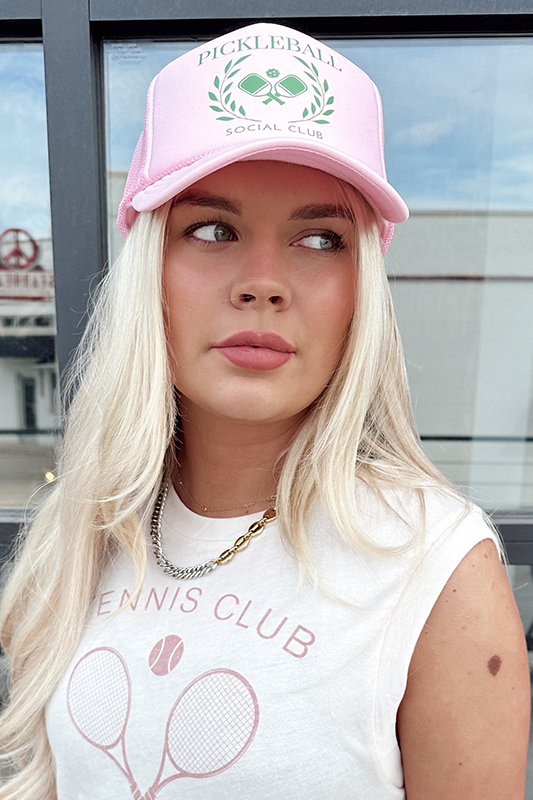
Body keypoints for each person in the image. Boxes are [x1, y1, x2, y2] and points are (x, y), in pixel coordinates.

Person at [0, 21, 529, 800]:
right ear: (151, 269)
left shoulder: (437, 569)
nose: (262, 283)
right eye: (212, 230)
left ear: (361, 289)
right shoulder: (80, 538)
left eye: (319, 239)